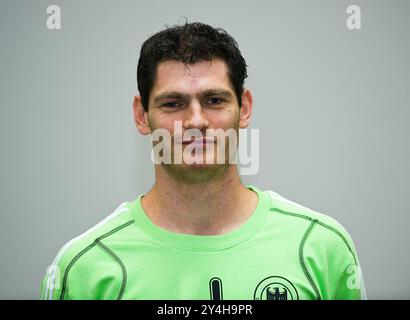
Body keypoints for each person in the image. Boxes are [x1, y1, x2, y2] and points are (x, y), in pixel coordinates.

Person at [40, 21, 366, 300]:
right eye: (172, 103)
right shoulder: (85, 266)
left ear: (245, 107)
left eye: (214, 100)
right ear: (141, 115)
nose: (196, 121)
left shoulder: (320, 247)